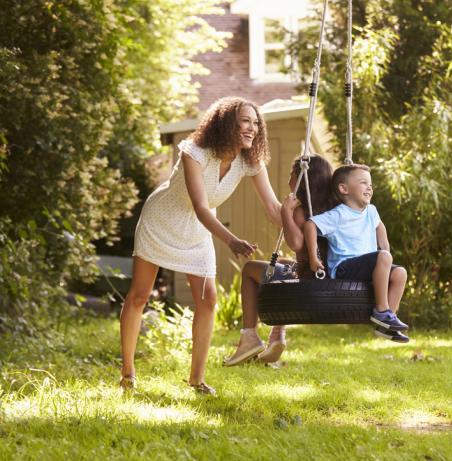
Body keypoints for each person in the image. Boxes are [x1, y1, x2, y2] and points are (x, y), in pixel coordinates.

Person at [120, 97, 283, 395]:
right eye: (245, 121)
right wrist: (231, 240)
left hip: (197, 230)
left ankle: (197, 380)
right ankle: (128, 374)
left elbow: (274, 208)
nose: (252, 128)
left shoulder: (250, 161)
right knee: (139, 295)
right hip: (163, 220)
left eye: (256, 123)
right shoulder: (193, 152)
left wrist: (300, 218)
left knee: (207, 300)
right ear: (226, 123)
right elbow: (200, 207)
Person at [224, 155, 334, 366]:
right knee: (282, 260)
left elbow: (296, 243)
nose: (288, 180)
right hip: (325, 274)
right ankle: (277, 335)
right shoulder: (330, 206)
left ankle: (250, 336)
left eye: (292, 175)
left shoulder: (301, 210)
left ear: (304, 178)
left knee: (249, 269)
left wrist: (286, 211)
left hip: (307, 278)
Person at [304, 164, 410, 343]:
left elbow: (380, 226)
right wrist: (314, 257)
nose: (369, 187)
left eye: (370, 184)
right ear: (344, 189)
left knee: (400, 273)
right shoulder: (339, 215)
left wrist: (385, 248)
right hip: (344, 267)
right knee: (383, 257)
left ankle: (386, 324)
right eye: (363, 183)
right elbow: (310, 225)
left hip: (367, 265)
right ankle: (382, 311)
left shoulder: (371, 211)